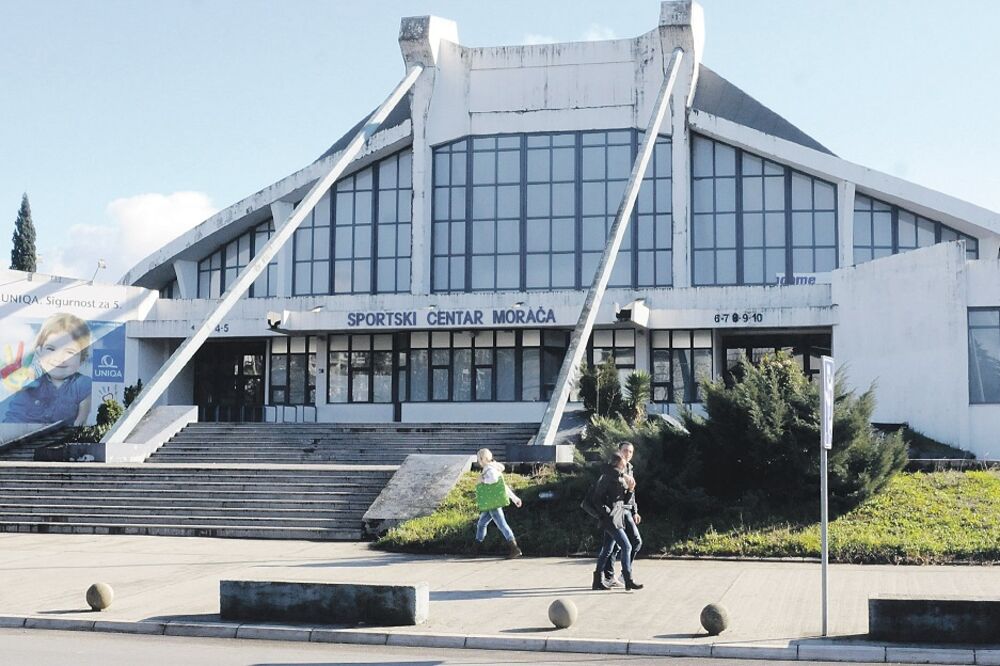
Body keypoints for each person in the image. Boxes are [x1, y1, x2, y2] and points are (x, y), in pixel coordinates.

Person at [2, 313, 93, 426]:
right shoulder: (34, 377)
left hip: (54, 439)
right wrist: (14, 379)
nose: (59, 358)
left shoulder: (82, 384)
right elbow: (24, 379)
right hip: (13, 435)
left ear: (82, 358)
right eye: (51, 348)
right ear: (39, 352)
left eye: (70, 352)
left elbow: (82, 419)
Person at [591, 451, 643, 590]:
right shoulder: (607, 477)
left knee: (607, 549)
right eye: (622, 465)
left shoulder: (619, 478)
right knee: (627, 546)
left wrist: (631, 490)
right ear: (616, 464)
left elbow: (623, 501)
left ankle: (597, 581)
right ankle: (628, 580)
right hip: (611, 519)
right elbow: (596, 499)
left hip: (617, 518)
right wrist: (606, 513)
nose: (624, 468)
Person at [473, 448, 523, 558]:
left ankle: (514, 548)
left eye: (479, 459)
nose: (478, 461)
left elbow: (494, 480)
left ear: (483, 459)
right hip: (492, 503)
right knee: (481, 524)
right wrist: (515, 499)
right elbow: (502, 487)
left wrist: (483, 480)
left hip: (493, 503)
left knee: (502, 525)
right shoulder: (493, 468)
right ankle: (476, 548)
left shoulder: (489, 469)